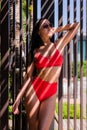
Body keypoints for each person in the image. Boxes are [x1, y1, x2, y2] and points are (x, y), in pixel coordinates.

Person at [12, 18, 80, 130]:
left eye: (50, 25)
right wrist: (18, 98)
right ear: (39, 32)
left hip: (50, 91)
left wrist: (57, 29)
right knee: (33, 127)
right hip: (34, 89)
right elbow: (28, 76)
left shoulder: (58, 44)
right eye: (45, 26)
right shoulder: (35, 51)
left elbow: (76, 25)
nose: (49, 27)